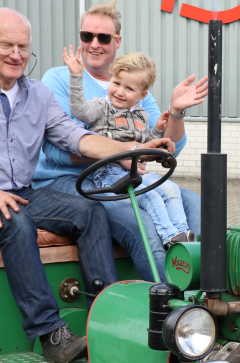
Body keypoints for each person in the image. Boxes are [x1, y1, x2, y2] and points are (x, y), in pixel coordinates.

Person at [0, 8, 174, 363]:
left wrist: (132, 150)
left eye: (23, 47)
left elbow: (77, 139)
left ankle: (106, 317)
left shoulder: (37, 94)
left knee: (90, 211)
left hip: (22, 192)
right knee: (16, 220)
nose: (16, 55)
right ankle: (50, 333)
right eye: (6, 45)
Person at [33, 0, 207, 281]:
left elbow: (166, 148)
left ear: (117, 41)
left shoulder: (134, 88)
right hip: (67, 178)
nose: (94, 44)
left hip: (123, 175)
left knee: (191, 200)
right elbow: (57, 149)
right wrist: (123, 153)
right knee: (140, 222)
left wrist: (175, 111)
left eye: (103, 37)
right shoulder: (60, 78)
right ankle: (173, 299)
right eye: (86, 36)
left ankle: (202, 281)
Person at [64, 48, 193, 248]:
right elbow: (79, 110)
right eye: (116, 83)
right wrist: (76, 76)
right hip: (109, 173)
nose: (120, 92)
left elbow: (145, 150)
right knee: (150, 196)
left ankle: (183, 235)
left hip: (137, 171)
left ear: (143, 94)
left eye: (129, 89)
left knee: (171, 189)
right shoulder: (101, 107)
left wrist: (158, 131)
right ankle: (169, 238)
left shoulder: (143, 116)